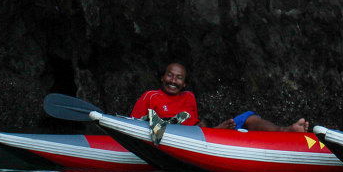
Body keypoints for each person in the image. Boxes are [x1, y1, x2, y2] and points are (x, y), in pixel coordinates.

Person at [129, 62, 309, 133]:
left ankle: (286, 130)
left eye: (179, 78)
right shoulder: (150, 97)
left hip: (198, 139)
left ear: (184, 84)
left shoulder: (188, 96)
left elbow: (195, 128)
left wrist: (216, 130)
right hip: (170, 138)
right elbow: (132, 124)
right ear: (162, 77)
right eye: (169, 75)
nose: (173, 81)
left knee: (248, 117)